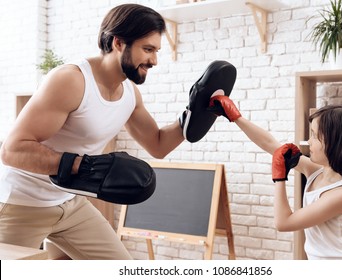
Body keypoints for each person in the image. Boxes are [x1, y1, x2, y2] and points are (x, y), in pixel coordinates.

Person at [0, 4, 233, 260]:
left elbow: (157, 144)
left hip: (70, 203)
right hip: (21, 205)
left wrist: (196, 114)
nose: (154, 61)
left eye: (156, 51)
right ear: (118, 42)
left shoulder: (130, 94)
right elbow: (12, 150)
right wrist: (84, 166)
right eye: (148, 49)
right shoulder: (72, 81)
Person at [208, 96, 342, 260]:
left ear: (337, 143)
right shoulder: (319, 172)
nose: (308, 141)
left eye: (315, 136)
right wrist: (236, 117)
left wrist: (279, 178)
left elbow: (283, 223)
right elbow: (270, 144)